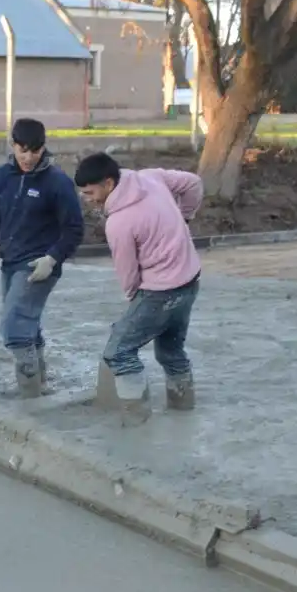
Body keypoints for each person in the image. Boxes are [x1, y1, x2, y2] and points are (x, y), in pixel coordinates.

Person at [74, 152, 204, 425]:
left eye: (90, 193)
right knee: (170, 351)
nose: (87, 199)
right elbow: (193, 183)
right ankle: (183, 411)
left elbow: (128, 274)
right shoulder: (151, 177)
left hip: (159, 292)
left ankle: (137, 421)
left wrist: (135, 303)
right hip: (191, 280)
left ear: (108, 183)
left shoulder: (119, 223)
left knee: (118, 352)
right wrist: (186, 217)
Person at [0, 118, 85, 398]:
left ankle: (28, 393)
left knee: (13, 327)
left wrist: (53, 258)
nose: (28, 157)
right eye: (22, 150)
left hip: (39, 265)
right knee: (27, 324)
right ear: (12, 145)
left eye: (35, 151)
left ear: (43, 148)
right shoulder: (2, 177)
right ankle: (40, 384)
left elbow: (74, 229)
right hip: (10, 262)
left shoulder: (57, 182)